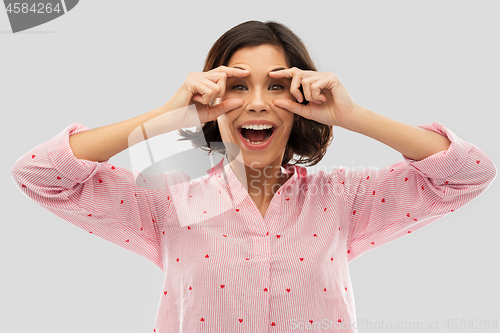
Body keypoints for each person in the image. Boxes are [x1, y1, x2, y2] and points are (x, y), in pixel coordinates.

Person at [10, 20, 497, 332]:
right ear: (210, 95)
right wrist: (165, 118)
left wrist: (353, 116)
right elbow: (39, 175)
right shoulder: (166, 200)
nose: (259, 102)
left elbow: (468, 174)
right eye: (238, 85)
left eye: (277, 86)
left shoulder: (345, 198)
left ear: (304, 98)